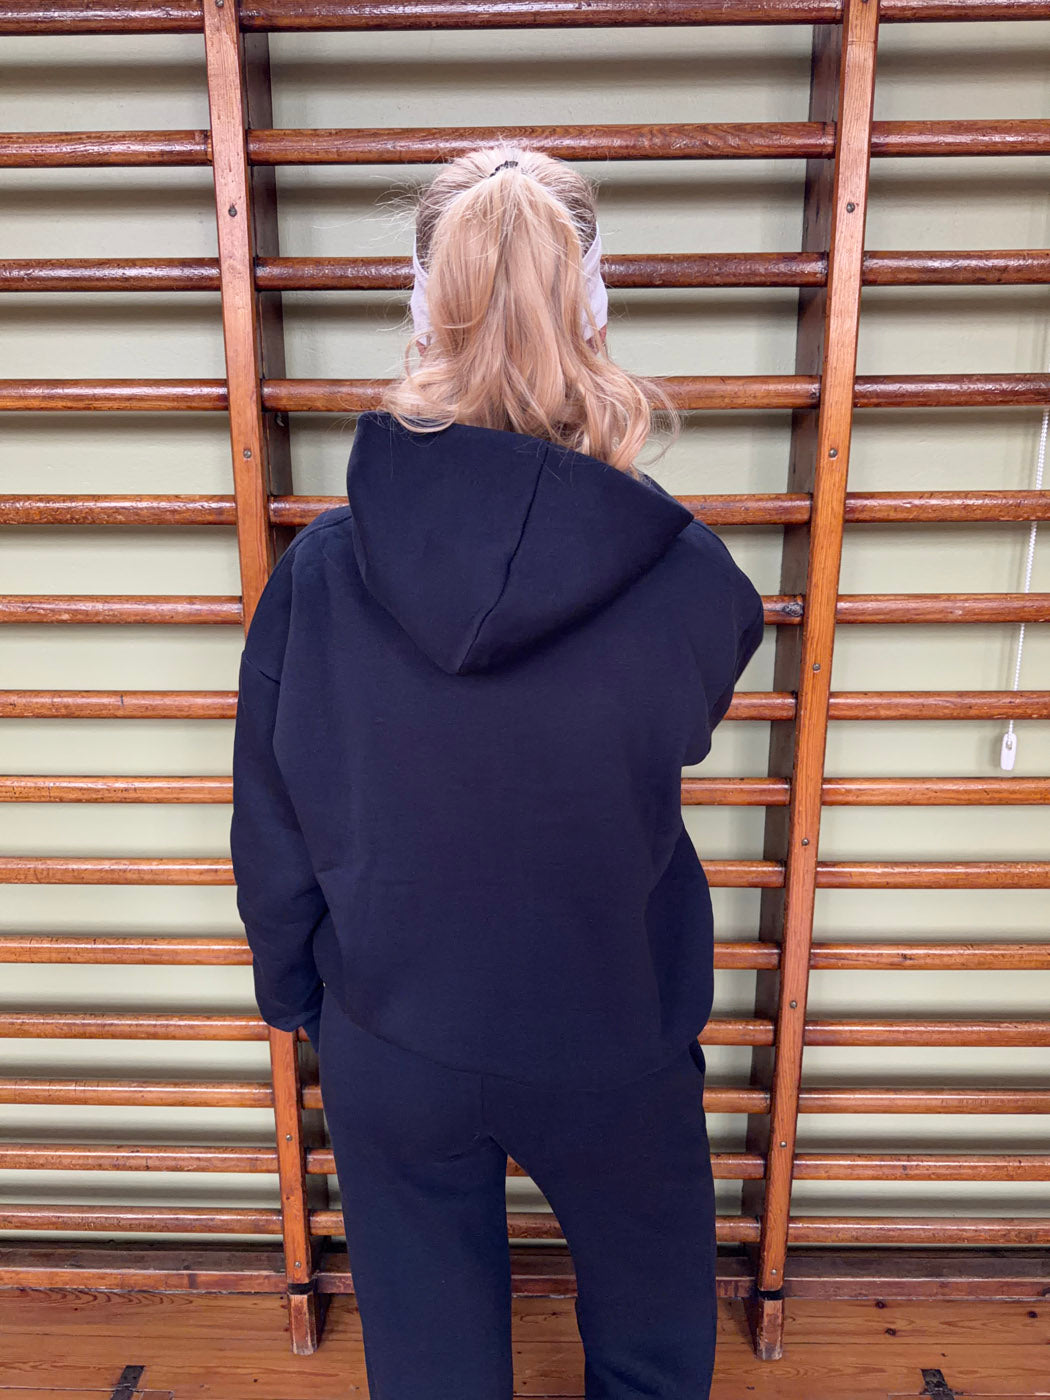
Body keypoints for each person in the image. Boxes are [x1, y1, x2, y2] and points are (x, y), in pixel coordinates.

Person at [230, 143, 765, 1400]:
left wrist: (292, 986)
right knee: (651, 1341)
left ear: (422, 306)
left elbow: (275, 811)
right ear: (595, 303)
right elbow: (679, 725)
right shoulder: (693, 578)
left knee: (430, 1362)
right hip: (612, 1018)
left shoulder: (319, 575)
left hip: (393, 1026)